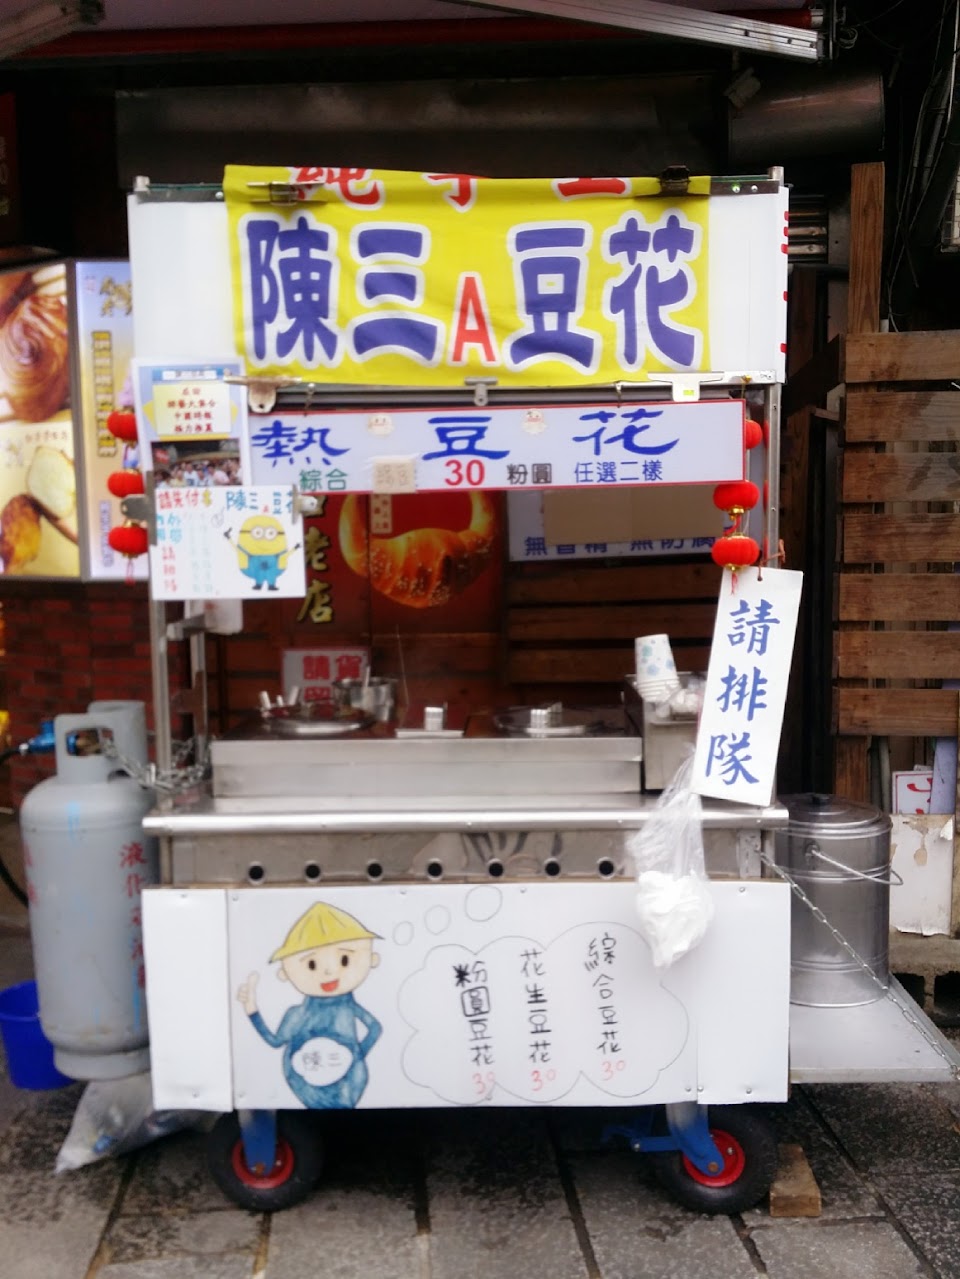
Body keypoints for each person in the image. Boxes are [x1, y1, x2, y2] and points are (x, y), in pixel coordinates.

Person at [237, 901, 382, 1108]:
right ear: (284, 973)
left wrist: (355, 1058)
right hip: (307, 1086)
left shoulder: (344, 1007)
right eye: (311, 964)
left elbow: (375, 1028)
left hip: (349, 1084)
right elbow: (275, 1041)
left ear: (372, 959)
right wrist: (251, 1008)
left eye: (344, 960)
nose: (329, 972)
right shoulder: (297, 1014)